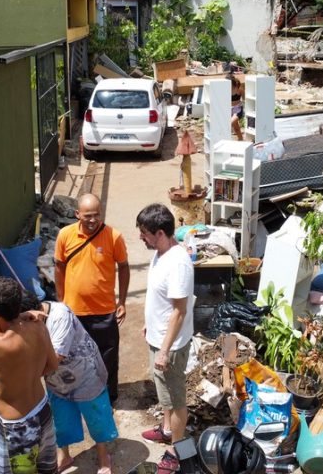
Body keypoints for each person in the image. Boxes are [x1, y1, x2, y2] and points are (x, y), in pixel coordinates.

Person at [20, 291, 117, 474]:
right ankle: (64, 455)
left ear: (34, 313)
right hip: (56, 379)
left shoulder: (60, 316)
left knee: (96, 416)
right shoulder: (27, 321)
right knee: (61, 418)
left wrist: (27, 377)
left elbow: (56, 358)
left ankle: (104, 456)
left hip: (85, 373)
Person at [0, 278, 60, 474]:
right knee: (47, 469)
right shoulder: (38, 326)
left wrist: (17, 316)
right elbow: (52, 364)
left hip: (18, 426)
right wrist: (22, 316)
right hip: (43, 410)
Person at [54, 193, 130, 405]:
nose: (92, 220)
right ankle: (76, 394)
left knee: (107, 357)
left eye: (96, 215)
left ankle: (108, 397)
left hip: (104, 311)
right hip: (74, 312)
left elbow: (123, 267)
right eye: (87, 215)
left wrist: (121, 302)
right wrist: (61, 301)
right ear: (77, 214)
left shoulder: (113, 236)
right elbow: (59, 267)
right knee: (73, 357)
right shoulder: (64, 235)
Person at [136, 203, 195, 474]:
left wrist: (164, 350)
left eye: (144, 233)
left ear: (160, 233)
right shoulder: (160, 253)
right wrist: (150, 325)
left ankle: (176, 448)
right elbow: (160, 299)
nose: (140, 237)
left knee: (176, 399)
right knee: (166, 395)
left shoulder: (178, 262)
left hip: (169, 346)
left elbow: (179, 312)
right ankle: (167, 428)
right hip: (158, 337)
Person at [230, 75, 245, 140]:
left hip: (237, 110)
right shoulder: (225, 89)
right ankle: (241, 140)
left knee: (230, 122)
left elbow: (245, 99)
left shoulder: (239, 89)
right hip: (229, 109)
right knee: (236, 128)